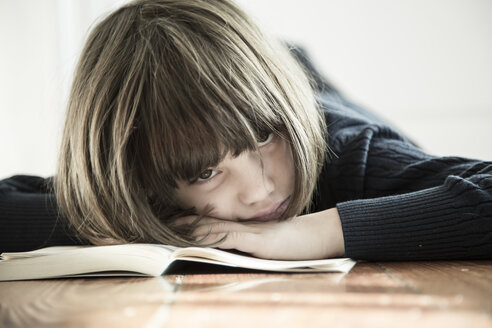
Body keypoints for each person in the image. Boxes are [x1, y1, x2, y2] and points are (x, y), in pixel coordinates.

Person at [0, 0, 491, 261]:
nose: (261, 191)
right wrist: (132, 225)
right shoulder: (147, 166)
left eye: (263, 139)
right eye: (207, 172)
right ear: (145, 182)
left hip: (308, 104)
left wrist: (312, 233)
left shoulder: (351, 153)